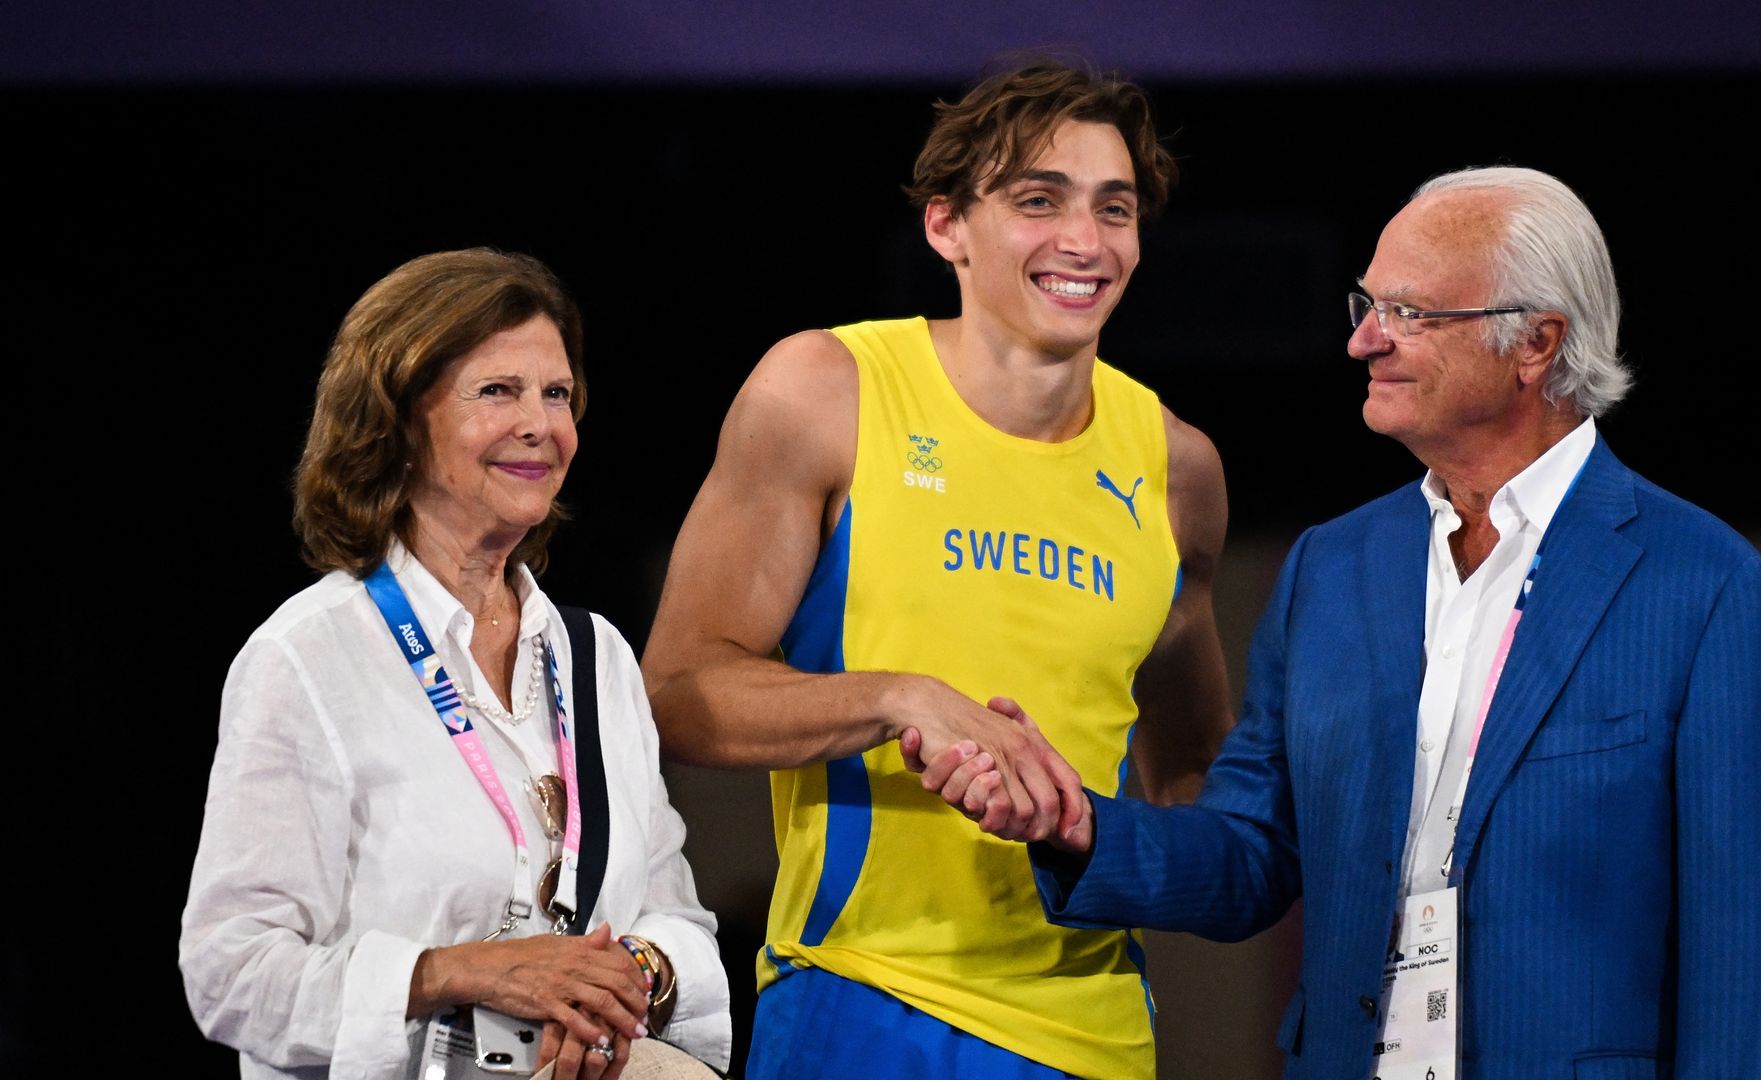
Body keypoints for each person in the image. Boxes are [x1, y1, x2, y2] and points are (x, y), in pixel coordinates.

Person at [923, 166, 1761, 1078]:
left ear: (1537, 344)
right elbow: (1251, 849)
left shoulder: (1708, 592)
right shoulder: (1331, 570)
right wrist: (1073, 824)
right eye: (1366, 302)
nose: (1362, 341)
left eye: (1410, 313)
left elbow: (1743, 963)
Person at [640, 60, 1233, 1079]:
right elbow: (677, 693)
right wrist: (904, 700)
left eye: (1115, 208)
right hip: (859, 1003)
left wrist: (1089, 834)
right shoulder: (828, 391)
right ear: (946, 226)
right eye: (1038, 201)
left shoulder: (1178, 469)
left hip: (1095, 1038)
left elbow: (1196, 786)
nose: (1084, 242)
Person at [180, 249, 730, 1079]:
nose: (540, 425)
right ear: (398, 423)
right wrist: (461, 973)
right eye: (497, 392)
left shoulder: (596, 658)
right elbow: (231, 974)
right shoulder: (310, 658)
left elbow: (676, 918)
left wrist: (622, 985)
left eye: (557, 394)